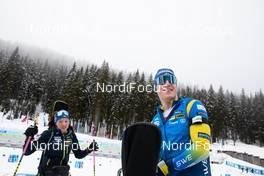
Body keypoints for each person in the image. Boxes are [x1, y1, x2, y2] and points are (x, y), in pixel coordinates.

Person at [151, 68, 212, 176]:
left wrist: (170, 166)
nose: (168, 83)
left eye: (171, 79)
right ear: (155, 88)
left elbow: (202, 148)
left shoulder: (192, 106)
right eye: (162, 80)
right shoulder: (155, 120)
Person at [23, 108, 99, 176]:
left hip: (63, 173)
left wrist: (89, 149)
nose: (64, 124)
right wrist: (29, 136)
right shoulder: (49, 134)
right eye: (60, 121)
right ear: (56, 122)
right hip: (46, 173)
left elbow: (78, 154)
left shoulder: (71, 136)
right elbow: (26, 151)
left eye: (66, 121)